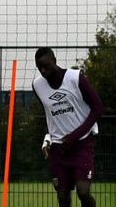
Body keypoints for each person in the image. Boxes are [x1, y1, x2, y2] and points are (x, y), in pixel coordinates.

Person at [32, 47, 104, 207]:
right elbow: (49, 116)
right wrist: (47, 139)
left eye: (46, 66)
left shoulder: (75, 78)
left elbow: (98, 107)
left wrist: (74, 136)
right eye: (39, 67)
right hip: (58, 148)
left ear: (54, 61)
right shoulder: (37, 86)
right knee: (62, 195)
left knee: (83, 192)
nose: (43, 71)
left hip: (82, 143)